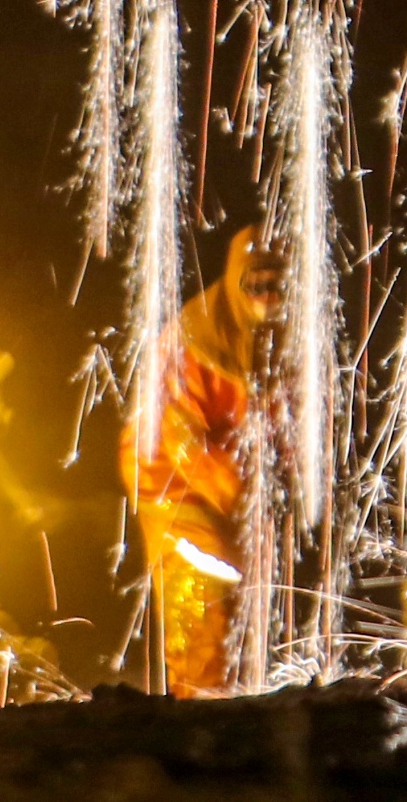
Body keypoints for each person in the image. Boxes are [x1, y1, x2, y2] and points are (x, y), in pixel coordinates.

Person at [122, 226, 277, 697]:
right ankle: (198, 710)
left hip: (234, 487)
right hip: (171, 483)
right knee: (203, 593)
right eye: (257, 286)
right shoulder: (194, 340)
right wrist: (240, 495)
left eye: (277, 286)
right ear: (237, 282)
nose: (268, 298)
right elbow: (180, 440)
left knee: (253, 606)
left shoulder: (287, 338)